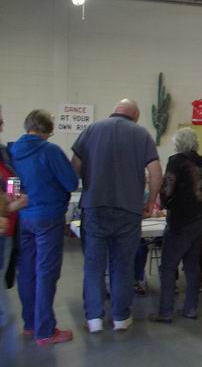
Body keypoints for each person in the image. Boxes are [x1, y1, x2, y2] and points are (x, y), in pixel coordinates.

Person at [71, 99, 162, 333]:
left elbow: (75, 166)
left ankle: (94, 319)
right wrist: (150, 202)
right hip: (129, 211)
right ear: (135, 115)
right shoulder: (141, 134)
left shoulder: (91, 129)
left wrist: (90, 184)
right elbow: (155, 172)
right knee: (122, 265)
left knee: (93, 266)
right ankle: (121, 318)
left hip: (95, 208)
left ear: (115, 111)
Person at [10, 109, 79, 345]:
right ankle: (46, 330)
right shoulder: (50, 151)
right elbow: (71, 183)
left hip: (23, 217)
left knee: (27, 271)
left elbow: (11, 190)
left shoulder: (12, 151)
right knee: (47, 272)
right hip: (49, 217)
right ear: (46, 131)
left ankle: (30, 324)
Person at [150, 128, 202, 322]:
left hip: (183, 220)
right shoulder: (201, 162)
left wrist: (160, 203)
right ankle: (190, 309)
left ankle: (166, 311)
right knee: (193, 266)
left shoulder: (176, 161)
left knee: (168, 266)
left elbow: (167, 188)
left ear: (178, 144)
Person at [0, 110, 28, 328]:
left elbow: (11, 179)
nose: (2, 124)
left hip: (9, 225)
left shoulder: (3, 152)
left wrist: (14, 197)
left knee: (4, 272)